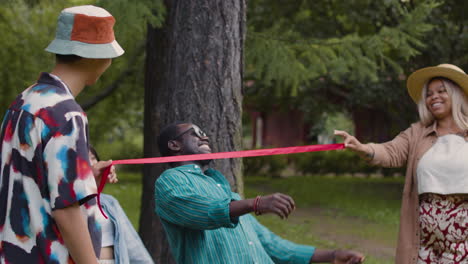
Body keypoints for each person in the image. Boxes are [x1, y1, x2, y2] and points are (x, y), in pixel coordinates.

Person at [0, 5, 122, 263]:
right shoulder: (66, 114)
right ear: (95, 58)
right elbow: (66, 209)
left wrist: (84, 177)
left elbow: (28, 177)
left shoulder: (24, 101)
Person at [155, 122, 365, 264]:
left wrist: (333, 255)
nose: (205, 136)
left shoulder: (230, 196)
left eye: (204, 133)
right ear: (174, 145)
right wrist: (255, 204)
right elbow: (203, 212)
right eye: (195, 133)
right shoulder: (170, 182)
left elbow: (272, 245)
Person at [334, 63, 468, 264]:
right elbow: (390, 151)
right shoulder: (417, 132)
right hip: (425, 240)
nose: (434, 97)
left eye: (442, 91)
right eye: (429, 94)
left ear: (457, 95)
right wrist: (363, 148)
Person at [88, 146, 154, 264]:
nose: (92, 164)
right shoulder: (65, 204)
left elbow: (132, 246)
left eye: (93, 158)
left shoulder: (109, 202)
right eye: (84, 158)